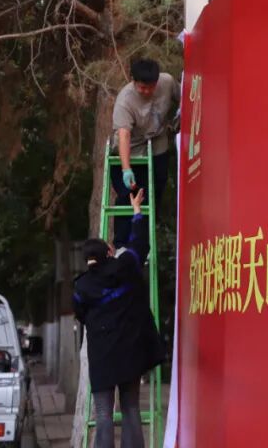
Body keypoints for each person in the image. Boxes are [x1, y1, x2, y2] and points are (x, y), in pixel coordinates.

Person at [74, 189, 165, 448]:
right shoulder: (125, 267)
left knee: (104, 414)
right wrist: (137, 211)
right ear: (109, 251)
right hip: (129, 352)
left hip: (101, 356)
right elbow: (139, 245)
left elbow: (81, 315)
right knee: (131, 408)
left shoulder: (81, 287)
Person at [110, 58, 180, 239]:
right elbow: (124, 135)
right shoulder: (125, 101)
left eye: (151, 87)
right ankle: (122, 243)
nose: (147, 91)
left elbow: (187, 97)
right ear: (134, 82)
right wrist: (126, 169)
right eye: (142, 87)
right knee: (129, 195)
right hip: (131, 148)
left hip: (157, 140)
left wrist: (181, 114)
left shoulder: (167, 82)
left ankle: (146, 238)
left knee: (156, 188)